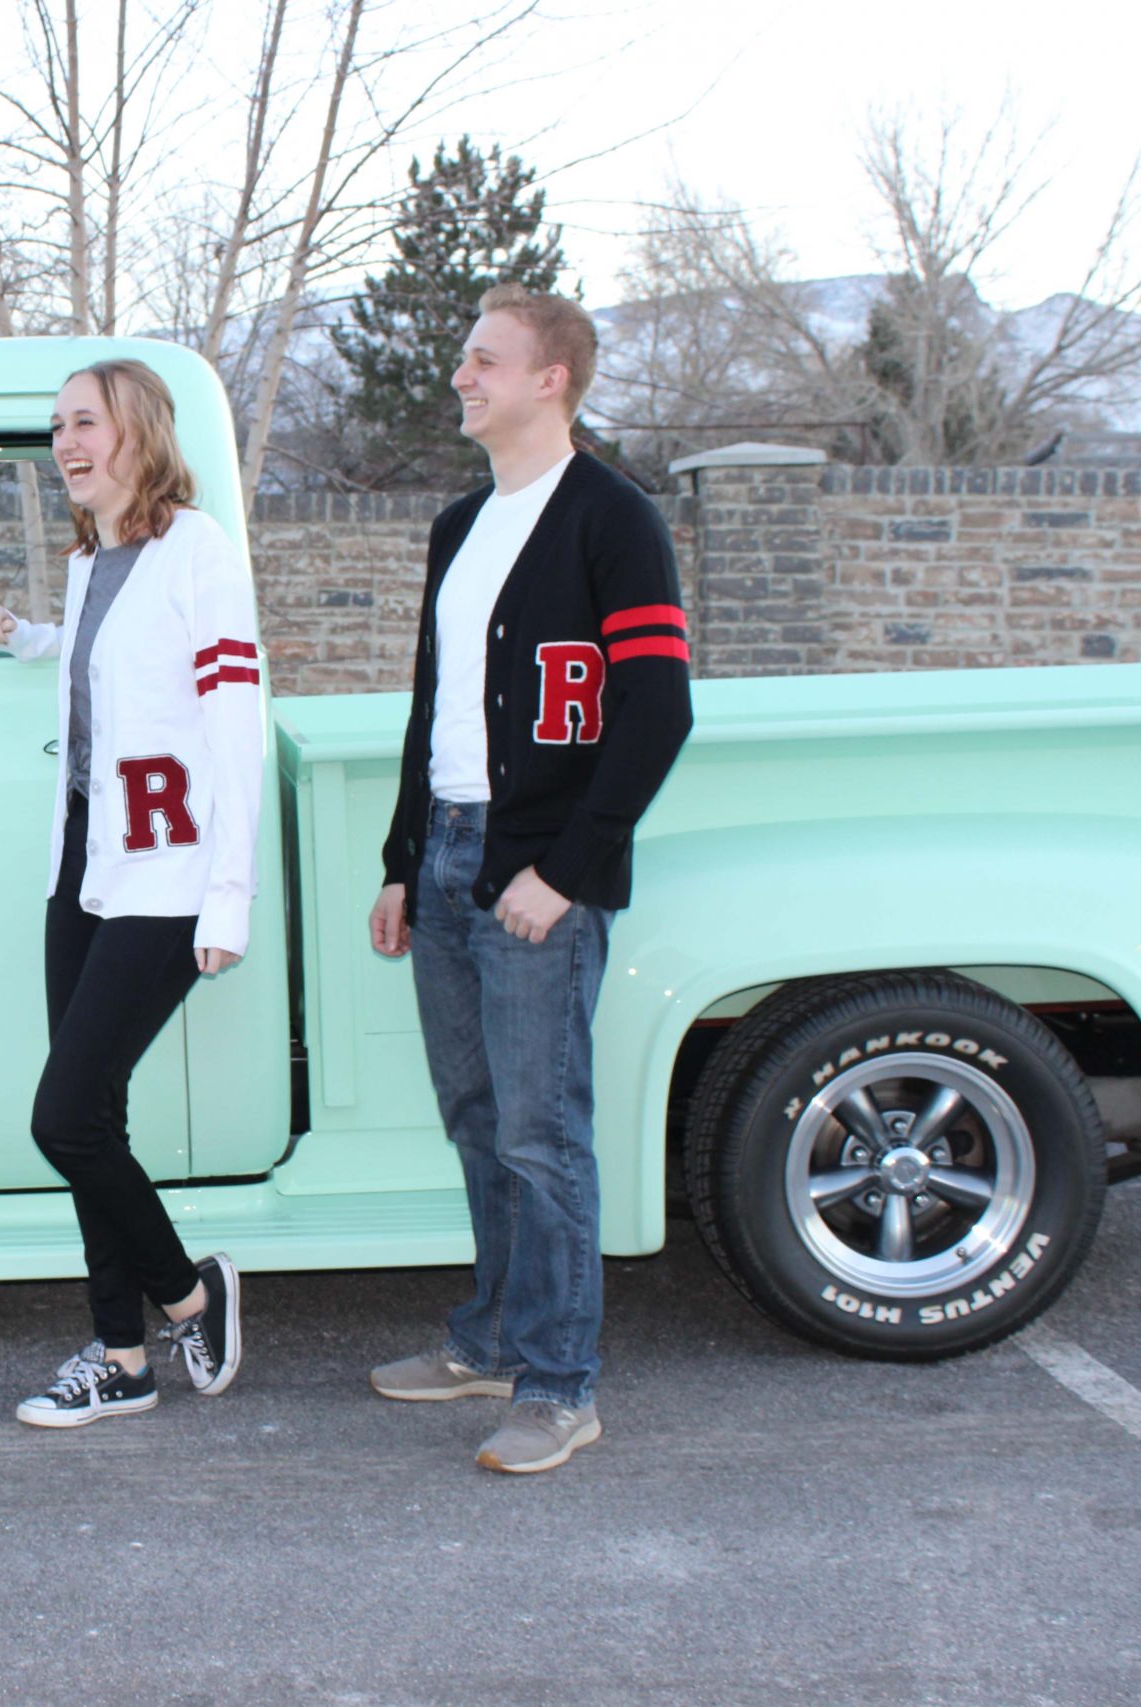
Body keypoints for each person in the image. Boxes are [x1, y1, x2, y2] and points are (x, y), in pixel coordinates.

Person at [366, 284, 694, 1474]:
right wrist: (403, 861)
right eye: (466, 357)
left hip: (536, 868)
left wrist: (566, 870)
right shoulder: (460, 527)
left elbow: (656, 713)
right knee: (477, 1120)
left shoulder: (612, 517)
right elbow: (432, 713)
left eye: (484, 359)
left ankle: (560, 1384)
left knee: (543, 1134)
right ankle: (493, 1340)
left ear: (549, 378)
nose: (463, 375)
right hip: (449, 854)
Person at [0, 358, 263, 1428]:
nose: (65, 445)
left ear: (136, 429)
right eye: (55, 429)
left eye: (83, 424)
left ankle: (190, 1293)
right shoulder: (95, 563)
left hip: (167, 874)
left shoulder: (200, 552)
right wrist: (27, 635)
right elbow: (105, 672)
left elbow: (235, 729)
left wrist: (227, 899)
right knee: (96, 1113)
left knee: (62, 1119)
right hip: (82, 868)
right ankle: (121, 1355)